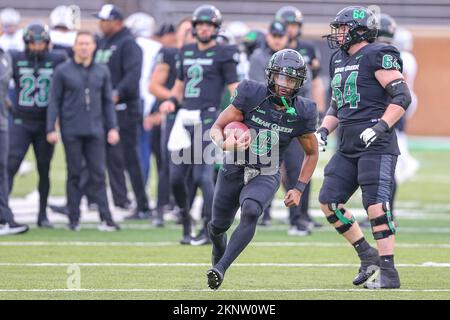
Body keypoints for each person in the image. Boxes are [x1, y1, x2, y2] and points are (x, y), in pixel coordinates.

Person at [206, 49, 319, 289]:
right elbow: (217, 126)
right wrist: (225, 143)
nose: (285, 85)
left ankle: (221, 267)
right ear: (270, 76)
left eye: (292, 80)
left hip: (266, 171)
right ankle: (218, 246)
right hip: (234, 165)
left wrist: (298, 188)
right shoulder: (250, 93)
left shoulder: (304, 111)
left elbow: (312, 152)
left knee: (251, 210)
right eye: (281, 77)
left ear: (300, 83)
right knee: (217, 226)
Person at [317, 6, 411, 289]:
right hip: (346, 143)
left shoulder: (376, 54)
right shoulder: (338, 59)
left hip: (376, 143)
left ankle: (389, 273)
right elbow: (338, 103)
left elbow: (401, 95)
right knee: (329, 201)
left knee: (376, 206)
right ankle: (366, 254)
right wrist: (323, 129)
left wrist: (381, 126)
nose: (338, 34)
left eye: (343, 28)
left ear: (359, 30)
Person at [159, 5, 239, 245]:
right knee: (175, 176)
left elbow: (234, 88)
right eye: (200, 24)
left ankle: (211, 227)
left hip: (208, 116)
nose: (204, 28)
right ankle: (186, 223)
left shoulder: (224, 53)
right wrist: (171, 101)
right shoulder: (184, 51)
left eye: (209, 25)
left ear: (216, 28)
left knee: (203, 174)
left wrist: (238, 115)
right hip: (185, 116)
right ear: (194, 28)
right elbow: (180, 85)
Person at [47, 31, 120, 231]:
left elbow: (107, 102)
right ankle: (73, 218)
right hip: (72, 129)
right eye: (81, 43)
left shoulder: (102, 71)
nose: (84, 47)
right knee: (74, 174)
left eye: (88, 43)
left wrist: (113, 127)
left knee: (98, 174)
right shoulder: (63, 70)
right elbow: (54, 101)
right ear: (74, 46)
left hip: (96, 129)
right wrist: (51, 126)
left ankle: (106, 218)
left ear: (94, 47)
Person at [94, 4, 152, 218]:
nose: (101, 24)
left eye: (105, 20)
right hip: (105, 108)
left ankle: (142, 204)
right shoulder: (101, 43)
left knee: (130, 158)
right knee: (110, 157)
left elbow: (133, 75)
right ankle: (121, 200)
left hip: (124, 108)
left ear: (117, 22)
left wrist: (116, 93)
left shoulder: (129, 44)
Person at [8, 23, 66, 228]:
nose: (37, 47)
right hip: (21, 120)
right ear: (26, 42)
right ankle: (3, 211)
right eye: (33, 42)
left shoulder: (58, 59)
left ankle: (42, 214)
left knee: (44, 169)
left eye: (41, 42)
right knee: (11, 165)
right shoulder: (15, 58)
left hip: (44, 123)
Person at [276, 5, 326, 234]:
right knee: (282, 168)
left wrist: (320, 111)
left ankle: (302, 214)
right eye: (288, 25)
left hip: (301, 114)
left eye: (295, 25)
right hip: (278, 115)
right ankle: (294, 215)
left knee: (305, 162)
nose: (291, 29)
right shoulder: (273, 49)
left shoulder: (307, 49)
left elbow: (315, 82)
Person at [147, 18, 194, 227]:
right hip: (176, 116)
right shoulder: (169, 53)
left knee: (197, 165)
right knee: (169, 165)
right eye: (185, 30)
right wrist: (176, 100)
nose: (190, 34)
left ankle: (184, 209)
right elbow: (154, 86)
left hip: (200, 116)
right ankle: (160, 209)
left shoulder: (207, 55)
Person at [125, 12, 161, 187]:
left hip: (132, 101)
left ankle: (136, 190)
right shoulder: (157, 46)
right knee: (146, 148)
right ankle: (144, 189)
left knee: (136, 148)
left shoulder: (130, 44)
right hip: (152, 101)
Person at [0, 46, 28, 235]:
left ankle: (4, 218)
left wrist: (11, 107)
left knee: (2, 169)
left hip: (2, 122)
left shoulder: (5, 56)